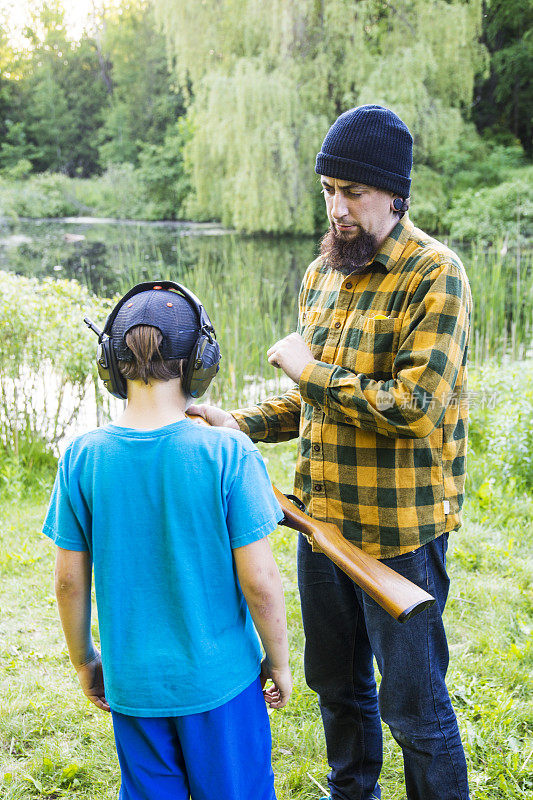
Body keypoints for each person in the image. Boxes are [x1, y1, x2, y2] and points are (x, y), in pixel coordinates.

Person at [191, 105, 472, 800]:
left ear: (393, 195)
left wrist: (304, 369)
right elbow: (317, 404)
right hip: (318, 525)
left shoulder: (435, 274)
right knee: (337, 691)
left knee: (415, 710)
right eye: (327, 191)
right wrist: (240, 423)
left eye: (352, 192)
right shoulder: (322, 273)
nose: (337, 208)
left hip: (398, 535)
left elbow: (412, 408)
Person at [43, 281, 292, 800]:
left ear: (111, 363)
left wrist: (86, 661)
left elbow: (69, 583)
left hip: (134, 686)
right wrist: (279, 661)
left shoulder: (82, 456)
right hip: (221, 683)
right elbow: (262, 583)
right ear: (200, 362)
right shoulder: (228, 453)